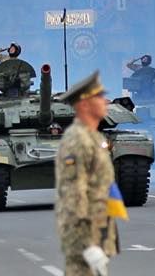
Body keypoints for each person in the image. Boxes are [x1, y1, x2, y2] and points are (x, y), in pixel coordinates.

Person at [54, 71, 123, 276]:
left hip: (97, 230)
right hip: (84, 237)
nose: (105, 102)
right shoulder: (77, 140)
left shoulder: (93, 137)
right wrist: (88, 244)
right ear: (84, 105)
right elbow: (73, 193)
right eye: (99, 98)